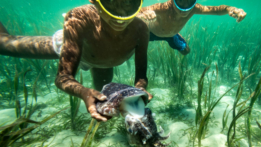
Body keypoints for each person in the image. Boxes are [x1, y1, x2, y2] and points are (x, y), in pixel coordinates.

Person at [0, 0, 152, 122]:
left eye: (128, 3)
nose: (120, 15)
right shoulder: (80, 17)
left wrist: (140, 89)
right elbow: (63, 77)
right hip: (71, 48)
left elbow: (141, 77)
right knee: (5, 44)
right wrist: (84, 93)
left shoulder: (141, 29)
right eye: (110, 3)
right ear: (95, 1)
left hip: (104, 62)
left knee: (102, 98)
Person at [137, 0, 247, 55]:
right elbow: (135, 12)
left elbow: (217, 10)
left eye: (189, 2)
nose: (184, 7)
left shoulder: (195, 8)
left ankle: (174, 35)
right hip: (150, 33)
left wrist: (231, 9)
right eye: (180, 1)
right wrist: (141, 15)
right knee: (130, 49)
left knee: (186, 51)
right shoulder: (163, 7)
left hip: (170, 35)